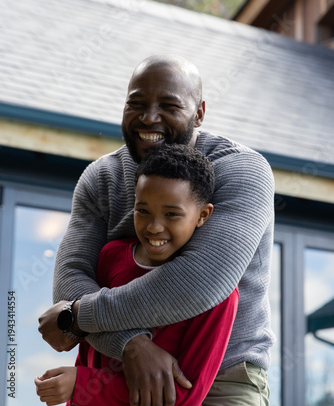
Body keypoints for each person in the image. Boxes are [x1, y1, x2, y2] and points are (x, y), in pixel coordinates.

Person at [38, 54, 275, 406]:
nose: (149, 117)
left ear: (199, 113)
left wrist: (76, 318)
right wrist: (131, 344)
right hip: (115, 370)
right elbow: (72, 279)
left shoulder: (241, 169)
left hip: (223, 375)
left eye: (168, 105)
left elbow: (199, 282)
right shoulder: (101, 178)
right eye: (136, 103)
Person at [35, 144, 239, 405]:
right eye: (143, 211)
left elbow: (186, 395)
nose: (154, 227)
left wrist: (82, 384)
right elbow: (89, 350)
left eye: (172, 214)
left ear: (203, 215)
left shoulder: (219, 295)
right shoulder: (110, 257)